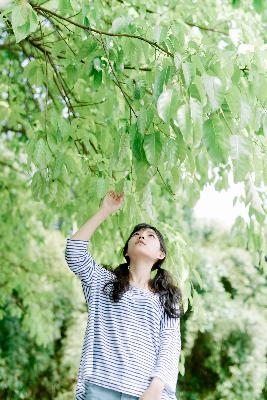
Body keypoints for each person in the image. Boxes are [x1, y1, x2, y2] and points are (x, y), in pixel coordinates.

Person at [65, 190, 183, 400]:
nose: (141, 237)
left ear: (160, 255)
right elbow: (74, 252)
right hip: (101, 388)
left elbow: (170, 347)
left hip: (146, 393)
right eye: (136, 235)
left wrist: (155, 389)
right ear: (126, 251)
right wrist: (105, 211)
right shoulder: (104, 283)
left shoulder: (167, 298)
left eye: (150, 236)